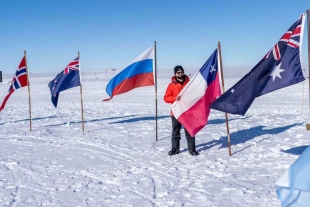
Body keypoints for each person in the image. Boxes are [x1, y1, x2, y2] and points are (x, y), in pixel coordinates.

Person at [164, 65, 199, 156]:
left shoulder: (189, 84)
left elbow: (194, 94)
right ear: (175, 74)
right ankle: (175, 149)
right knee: (176, 130)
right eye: (178, 72)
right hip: (176, 112)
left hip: (187, 111)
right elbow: (166, 98)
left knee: (189, 130)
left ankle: (192, 149)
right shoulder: (171, 85)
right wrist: (175, 98)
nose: (180, 74)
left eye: (181, 72)